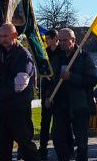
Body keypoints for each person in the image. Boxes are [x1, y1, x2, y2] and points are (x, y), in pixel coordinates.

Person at [0, 23, 40, 161]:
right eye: (0, 36)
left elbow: (20, 83)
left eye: (5, 36)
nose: (2, 39)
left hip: (19, 109)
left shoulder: (23, 55)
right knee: (1, 147)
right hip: (2, 109)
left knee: (25, 145)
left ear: (14, 36)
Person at [49, 28, 95, 161]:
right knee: (58, 139)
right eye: (59, 40)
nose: (61, 43)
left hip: (79, 106)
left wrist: (71, 77)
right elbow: (51, 80)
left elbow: (92, 80)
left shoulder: (84, 57)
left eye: (65, 40)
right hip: (61, 106)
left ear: (73, 40)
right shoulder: (58, 58)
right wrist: (48, 96)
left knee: (81, 143)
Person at [36, 31, 59, 159]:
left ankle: (65, 146)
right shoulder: (45, 53)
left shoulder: (61, 53)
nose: (47, 40)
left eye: (49, 38)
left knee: (60, 123)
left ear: (55, 38)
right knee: (45, 122)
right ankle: (43, 148)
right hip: (46, 92)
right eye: (46, 38)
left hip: (58, 93)